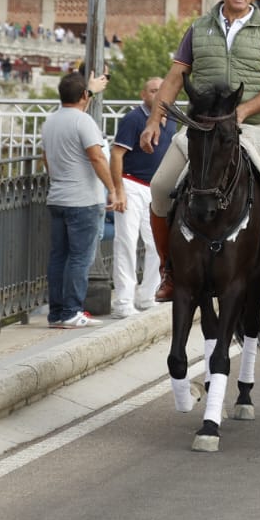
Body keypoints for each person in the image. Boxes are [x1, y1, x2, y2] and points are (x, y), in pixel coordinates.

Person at [143, 0, 260, 304]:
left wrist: (243, 111)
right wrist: (153, 121)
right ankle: (169, 273)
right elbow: (175, 78)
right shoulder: (198, 28)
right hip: (203, 130)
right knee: (161, 188)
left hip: (255, 128)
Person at [41, 69, 117, 328]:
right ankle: (72, 311)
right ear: (84, 95)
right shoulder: (84, 122)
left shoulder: (50, 121)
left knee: (58, 257)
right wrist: (113, 189)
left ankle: (57, 313)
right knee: (79, 258)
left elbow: (46, 160)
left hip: (58, 196)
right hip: (83, 200)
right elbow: (97, 157)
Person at [109, 77, 172, 317]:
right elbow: (116, 155)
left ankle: (148, 295)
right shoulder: (133, 119)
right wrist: (118, 190)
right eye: (153, 91)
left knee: (158, 244)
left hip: (156, 189)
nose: (158, 95)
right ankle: (124, 301)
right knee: (126, 242)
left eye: (161, 90)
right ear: (143, 95)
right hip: (132, 184)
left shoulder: (172, 119)